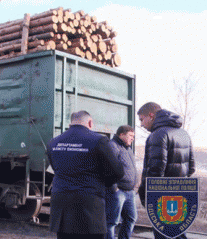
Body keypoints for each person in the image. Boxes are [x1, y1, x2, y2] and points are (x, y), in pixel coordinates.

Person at [47, 110, 124, 239]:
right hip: (89, 205)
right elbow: (118, 172)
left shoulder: (53, 142)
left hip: (62, 205)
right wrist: (105, 182)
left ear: (70, 123)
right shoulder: (99, 140)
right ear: (90, 122)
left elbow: (56, 169)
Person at [137, 102, 195, 239]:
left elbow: (155, 172)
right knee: (178, 233)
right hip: (181, 195)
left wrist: (144, 193)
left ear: (151, 116)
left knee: (164, 234)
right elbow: (191, 168)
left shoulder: (158, 135)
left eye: (141, 119)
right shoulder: (183, 134)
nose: (141, 124)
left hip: (161, 198)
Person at [105, 125, 137, 239]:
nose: (132, 138)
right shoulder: (113, 146)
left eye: (133, 136)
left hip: (130, 192)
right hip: (118, 191)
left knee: (131, 218)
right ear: (121, 134)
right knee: (112, 221)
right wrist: (114, 187)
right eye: (130, 136)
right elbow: (107, 167)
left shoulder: (127, 148)